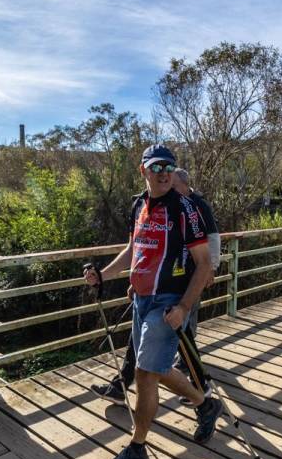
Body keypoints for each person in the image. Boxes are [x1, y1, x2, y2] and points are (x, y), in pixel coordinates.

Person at [84, 144, 220, 459]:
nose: (164, 173)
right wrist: (105, 274)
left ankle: (137, 447)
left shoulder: (185, 209)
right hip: (142, 300)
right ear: (143, 170)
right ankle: (205, 404)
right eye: (157, 167)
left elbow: (204, 264)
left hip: (169, 301)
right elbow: (135, 250)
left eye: (170, 167)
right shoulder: (138, 205)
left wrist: (184, 307)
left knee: (146, 373)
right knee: (156, 370)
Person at [90, 168, 219, 405]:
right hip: (151, 292)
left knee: (179, 344)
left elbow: (212, 239)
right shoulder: (145, 205)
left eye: (172, 179)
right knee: (149, 348)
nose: (167, 182)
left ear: (183, 185)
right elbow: (142, 248)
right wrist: (135, 280)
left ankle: (203, 393)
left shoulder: (194, 206)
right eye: (157, 171)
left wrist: (210, 269)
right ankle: (123, 385)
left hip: (184, 285)